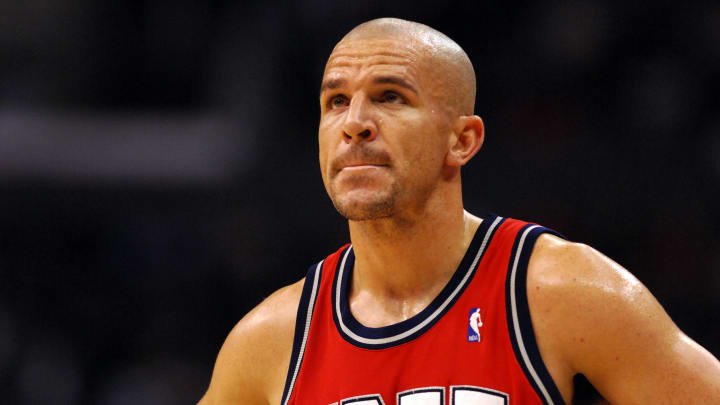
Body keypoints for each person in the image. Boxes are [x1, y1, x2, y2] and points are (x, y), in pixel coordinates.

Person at [198, 18, 720, 405]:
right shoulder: (272, 339)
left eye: (389, 97)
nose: (354, 122)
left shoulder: (560, 292)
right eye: (336, 101)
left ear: (463, 140)